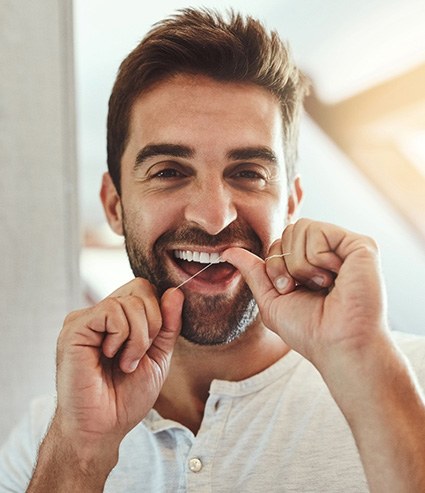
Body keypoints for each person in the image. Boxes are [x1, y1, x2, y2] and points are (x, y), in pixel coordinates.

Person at [1, 7, 425, 492]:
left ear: (289, 204)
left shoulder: (410, 381)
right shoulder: (49, 436)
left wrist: (365, 366)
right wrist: (80, 455)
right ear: (114, 205)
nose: (214, 215)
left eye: (247, 173)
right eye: (169, 171)